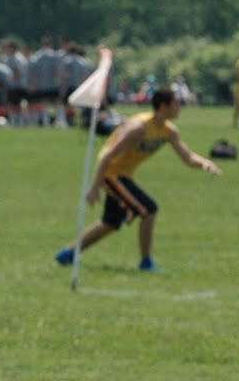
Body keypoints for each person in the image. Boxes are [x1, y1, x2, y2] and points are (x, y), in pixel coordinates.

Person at [54, 86, 222, 272]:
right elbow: (106, 155)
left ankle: (68, 254)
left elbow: (187, 157)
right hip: (111, 175)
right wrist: (94, 186)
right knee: (149, 210)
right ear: (163, 106)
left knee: (110, 223)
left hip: (124, 176)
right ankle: (146, 262)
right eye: (175, 103)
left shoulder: (169, 131)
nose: (179, 107)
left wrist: (205, 163)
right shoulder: (139, 127)